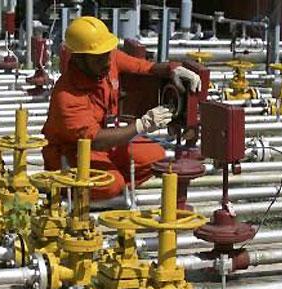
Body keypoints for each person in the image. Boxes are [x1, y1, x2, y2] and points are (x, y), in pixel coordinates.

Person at [42, 16, 201, 200]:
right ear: (79, 58)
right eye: (99, 58)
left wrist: (173, 69)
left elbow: (145, 68)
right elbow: (95, 140)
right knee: (111, 184)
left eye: (107, 54)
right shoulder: (67, 95)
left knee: (156, 158)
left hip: (106, 143)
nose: (107, 62)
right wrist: (142, 125)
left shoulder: (108, 59)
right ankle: (74, 192)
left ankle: (113, 187)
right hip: (72, 153)